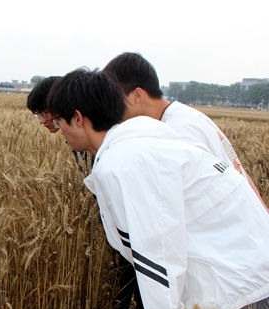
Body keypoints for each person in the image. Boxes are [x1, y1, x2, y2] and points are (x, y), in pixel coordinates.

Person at [47, 68, 269, 309]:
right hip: (253, 275)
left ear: (78, 118)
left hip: (235, 293)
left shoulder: (123, 162)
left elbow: (156, 248)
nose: (60, 131)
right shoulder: (146, 142)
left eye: (59, 121)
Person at [102, 52, 268, 213]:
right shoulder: (187, 115)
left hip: (233, 235)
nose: (114, 113)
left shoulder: (175, 134)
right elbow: (239, 172)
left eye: (115, 101)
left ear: (137, 95)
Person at [28, 76, 88, 167]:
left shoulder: (87, 141)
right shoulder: (76, 139)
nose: (41, 121)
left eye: (43, 113)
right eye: (38, 115)